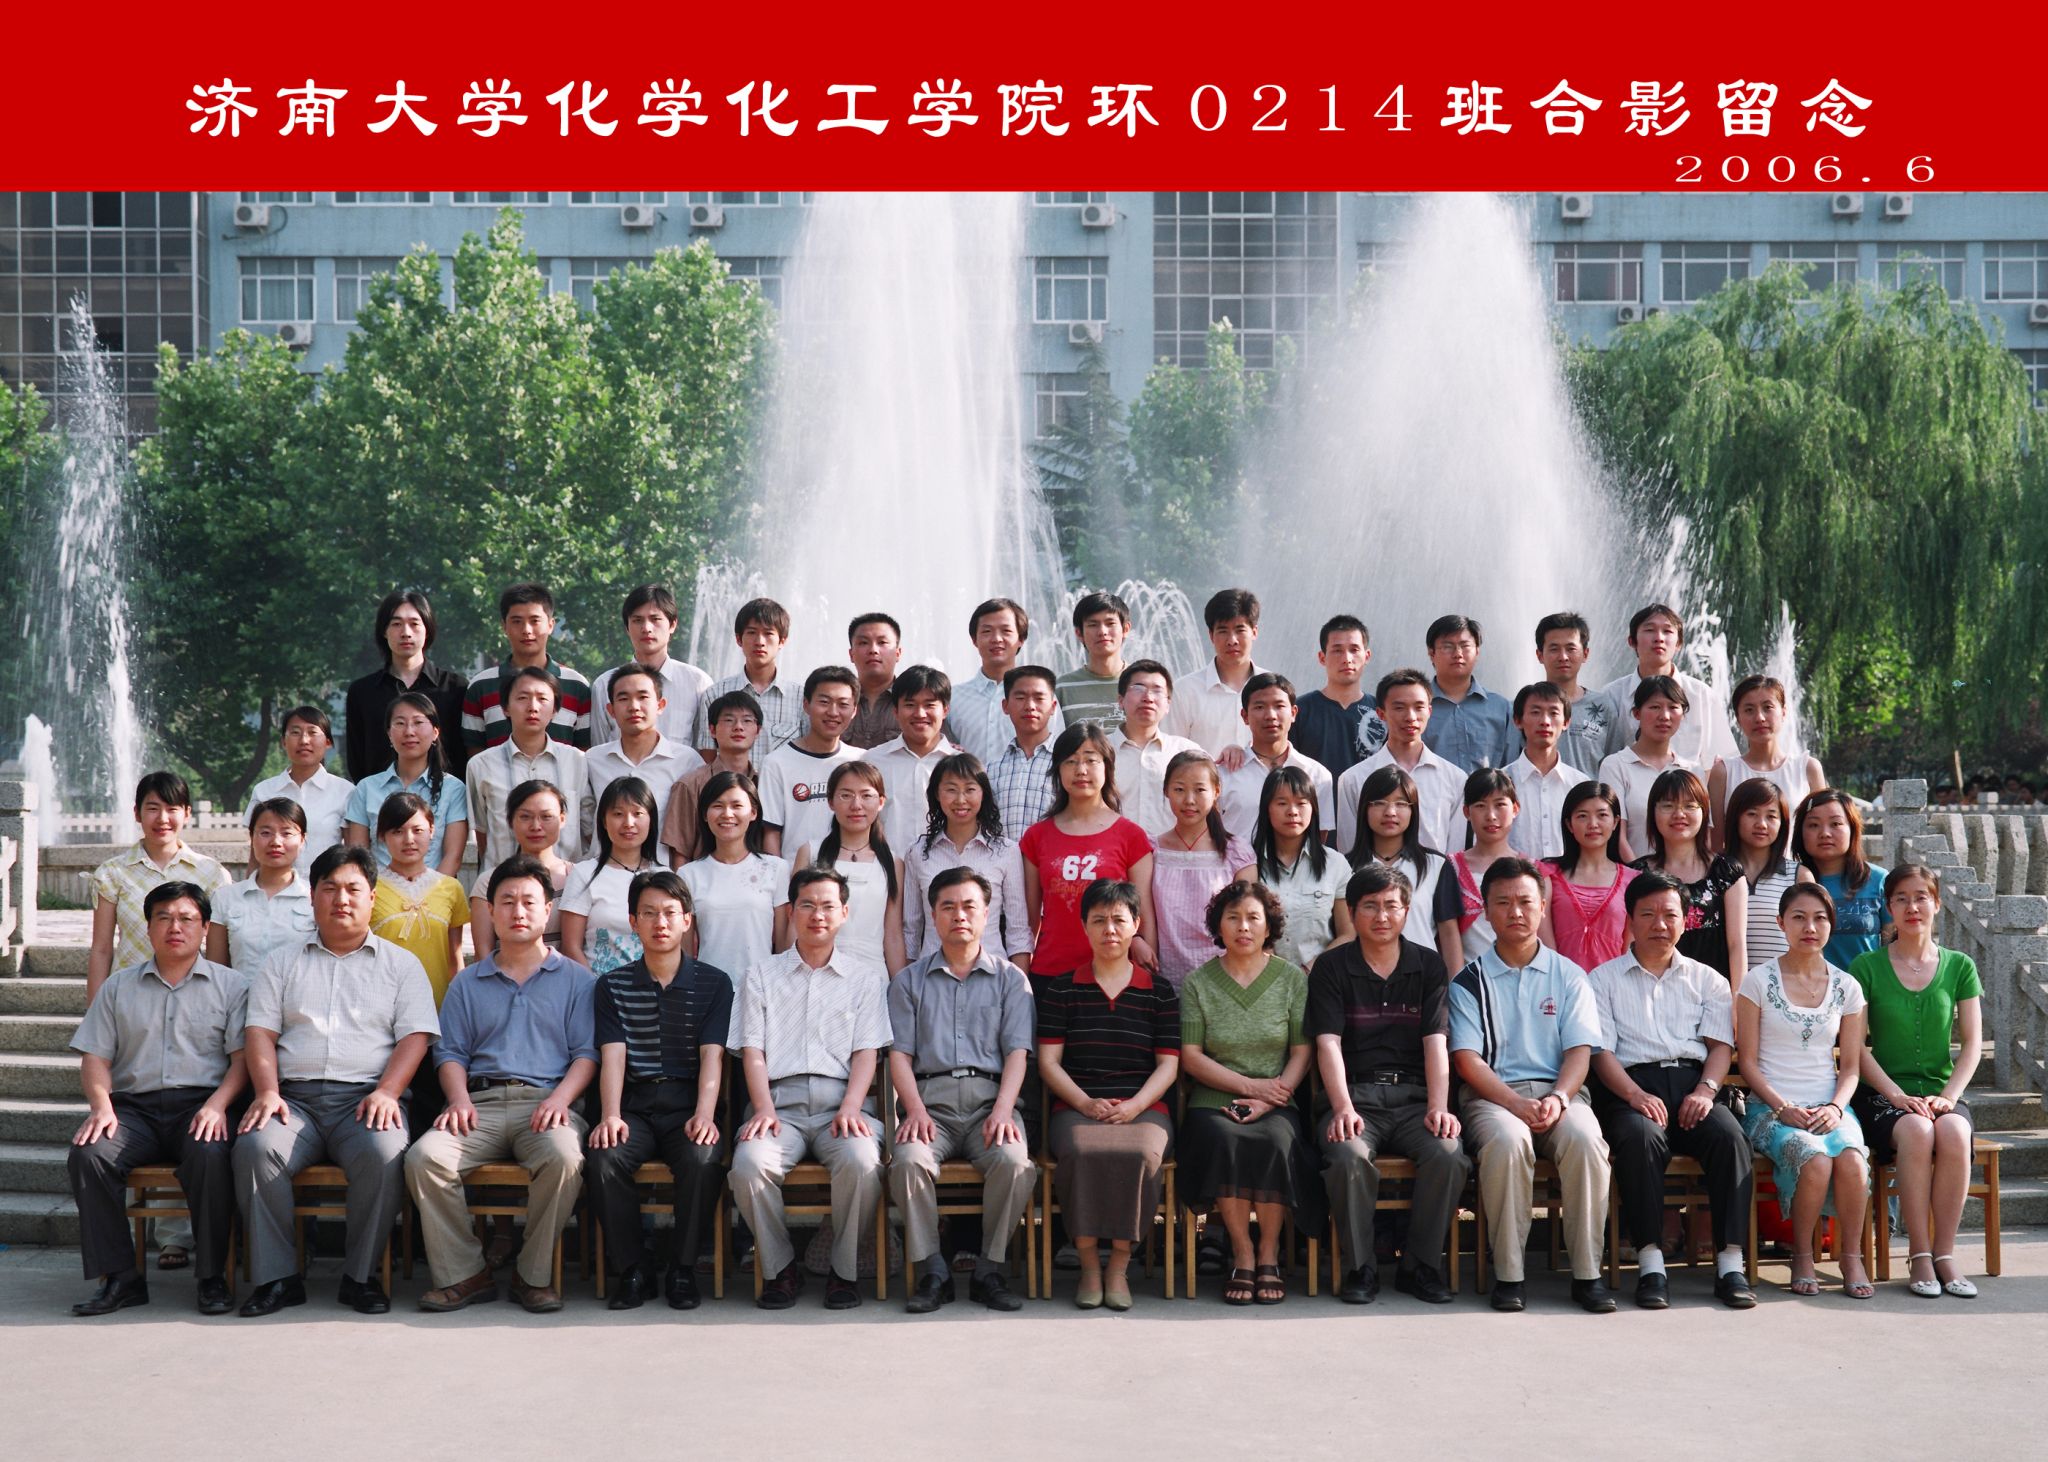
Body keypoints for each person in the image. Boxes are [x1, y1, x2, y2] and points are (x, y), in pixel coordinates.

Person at [232, 846, 439, 1317]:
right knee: (255, 1148)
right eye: (329, 888)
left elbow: (415, 1037)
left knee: (385, 1153)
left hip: (366, 1100)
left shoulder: (401, 965)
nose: (341, 899)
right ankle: (278, 1279)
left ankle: (360, 1277)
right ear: (312, 896)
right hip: (293, 1101)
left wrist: (388, 1091)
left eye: (352, 889)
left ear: (373, 898)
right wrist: (267, 1092)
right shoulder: (281, 963)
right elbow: (259, 1033)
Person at [406, 856, 597, 1313]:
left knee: (564, 1157)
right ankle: (466, 1274)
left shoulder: (577, 980)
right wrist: (457, 1099)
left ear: (548, 910)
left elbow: (586, 1054)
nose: (518, 911)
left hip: (547, 1103)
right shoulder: (467, 983)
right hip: (480, 1104)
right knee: (424, 1158)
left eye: (529, 902)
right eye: (507, 902)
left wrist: (561, 1100)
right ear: (490, 912)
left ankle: (532, 1275)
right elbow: (450, 1053)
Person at [67, 882, 247, 1317]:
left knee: (210, 1154)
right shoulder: (118, 987)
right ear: (147, 928)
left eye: (186, 918)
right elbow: (95, 1057)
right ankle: (121, 1278)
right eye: (163, 918)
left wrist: (218, 1105)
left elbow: (243, 1061)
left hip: (201, 1106)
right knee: (89, 1155)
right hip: (134, 1110)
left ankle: (211, 1276)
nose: (174, 927)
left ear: (205, 928)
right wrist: (102, 1106)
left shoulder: (232, 986)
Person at [1450, 858, 1616, 1314]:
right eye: (1503, 902)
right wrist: (1515, 1104)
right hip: (1493, 1097)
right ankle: (1509, 1275)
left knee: (1586, 1139)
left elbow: (1580, 1052)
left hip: (1560, 1093)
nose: (1516, 912)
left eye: (1525, 901)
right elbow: (1467, 1060)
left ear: (1543, 907)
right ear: (1485, 911)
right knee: (1508, 1142)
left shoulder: (1570, 975)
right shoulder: (1468, 981)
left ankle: (1588, 1274)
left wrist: (1559, 1098)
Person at [1586, 873, 1757, 1310]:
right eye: (1648, 914)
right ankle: (1651, 1265)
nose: (1659, 924)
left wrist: (1706, 1090)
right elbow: (1601, 1054)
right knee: (1640, 1139)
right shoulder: (1601, 980)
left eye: (1669, 915)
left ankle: (1730, 1264)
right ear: (1630, 919)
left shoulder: (1708, 979)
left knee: (1730, 1138)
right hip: (1631, 1089)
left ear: (1686, 920)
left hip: (1693, 1086)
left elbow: (1720, 1047)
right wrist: (1633, 1095)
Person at [729, 866, 893, 1311]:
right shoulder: (760, 976)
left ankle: (844, 1270)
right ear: (791, 912)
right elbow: (752, 1051)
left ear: (844, 913)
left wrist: (853, 1106)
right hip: (778, 1106)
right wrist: (763, 1108)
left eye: (827, 906)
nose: (817, 915)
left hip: (842, 1105)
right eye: (806, 905)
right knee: (748, 1165)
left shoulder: (865, 979)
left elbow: (867, 1053)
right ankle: (781, 1267)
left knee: (862, 1161)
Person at [1308, 863, 1468, 1305]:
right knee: (1347, 1155)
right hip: (1356, 1097)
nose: (1382, 916)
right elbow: (1327, 1043)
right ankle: (1360, 1267)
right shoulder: (1331, 967)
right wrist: (1342, 1107)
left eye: (1391, 906)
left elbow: (1436, 1042)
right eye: (1370, 906)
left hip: (1415, 1099)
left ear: (1407, 911)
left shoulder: (1428, 965)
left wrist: (1439, 1106)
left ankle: (1420, 1266)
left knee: (1448, 1154)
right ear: (1352, 913)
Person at [886, 867, 1036, 1313]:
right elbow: (899, 1056)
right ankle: (932, 1270)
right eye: (948, 907)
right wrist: (913, 1110)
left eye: (969, 906)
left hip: (991, 1105)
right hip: (929, 1107)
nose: (959, 916)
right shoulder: (908, 981)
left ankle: (990, 1268)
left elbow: (1018, 1053)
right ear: (933, 915)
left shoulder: (1012, 979)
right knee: (907, 1161)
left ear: (987, 913)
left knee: (1015, 1163)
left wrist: (1004, 1110)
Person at [585, 870, 734, 1310]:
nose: (660, 923)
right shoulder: (611, 985)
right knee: (604, 1157)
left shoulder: (715, 983)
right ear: (633, 921)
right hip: (635, 1106)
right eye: (648, 913)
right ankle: (635, 1269)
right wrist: (611, 1115)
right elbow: (613, 1056)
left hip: (688, 1104)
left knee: (703, 1158)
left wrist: (704, 1115)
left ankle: (682, 1269)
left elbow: (713, 1056)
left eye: (670, 913)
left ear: (687, 920)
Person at [1037, 879, 1181, 1311]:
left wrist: (1136, 1105)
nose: (1110, 930)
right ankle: (1088, 1265)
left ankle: (1118, 1265)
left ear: (1136, 925)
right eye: (1099, 920)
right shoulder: (1062, 989)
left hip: (1145, 1107)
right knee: (1081, 1152)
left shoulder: (1160, 991)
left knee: (1140, 1154)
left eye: (1119, 920)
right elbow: (1049, 1063)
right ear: (1084, 926)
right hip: (1077, 1105)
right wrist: (1084, 1103)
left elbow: (1168, 1065)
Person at [1177, 881, 1320, 1305]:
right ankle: (1242, 1253)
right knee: (1224, 1140)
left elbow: (1302, 1051)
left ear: (1269, 926)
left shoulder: (1292, 979)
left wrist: (1271, 1096)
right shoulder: (1197, 983)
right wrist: (1249, 1087)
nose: (1243, 927)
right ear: (1218, 926)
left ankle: (1268, 1253)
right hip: (1212, 1099)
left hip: (1276, 1099)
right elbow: (1191, 1057)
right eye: (1233, 918)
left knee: (1276, 1141)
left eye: (1253, 918)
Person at [1849, 865, 1984, 1299]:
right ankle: (1919, 1254)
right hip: (1882, 1095)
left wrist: (1949, 1096)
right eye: (1901, 898)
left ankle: (1945, 1254)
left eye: (1921, 896)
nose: (1912, 907)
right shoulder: (1866, 966)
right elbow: (1856, 1048)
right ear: (1888, 907)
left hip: (1942, 1092)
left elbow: (1972, 1044)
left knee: (1955, 1132)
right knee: (1917, 1130)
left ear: (1937, 903)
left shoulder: (1960, 966)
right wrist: (1896, 1094)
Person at [1736, 882, 1873, 1298]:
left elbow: (1851, 1067)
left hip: (1830, 1106)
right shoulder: (1756, 981)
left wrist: (1836, 1108)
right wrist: (1783, 1108)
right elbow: (1747, 1062)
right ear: (1781, 923)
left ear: (1831, 924)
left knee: (1852, 1160)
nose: (1809, 927)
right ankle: (1802, 1255)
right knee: (1813, 1159)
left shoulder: (1848, 987)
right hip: (1770, 1108)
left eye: (1819, 918)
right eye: (1798, 918)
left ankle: (1851, 1256)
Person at [1019, 724, 1158, 978]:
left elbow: (1145, 915)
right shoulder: (1036, 836)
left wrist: (1147, 978)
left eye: (1090, 760)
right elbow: (1028, 920)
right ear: (1058, 770)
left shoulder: (1132, 836)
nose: (1081, 770)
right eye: (1070, 761)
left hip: (1113, 977)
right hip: (1050, 974)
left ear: (1107, 766)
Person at [88, 771, 234, 1004]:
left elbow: (218, 953)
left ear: (187, 813)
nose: (162, 818)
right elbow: (102, 948)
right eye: (153, 808)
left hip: (191, 998)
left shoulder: (212, 873)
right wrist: (94, 1011)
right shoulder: (112, 873)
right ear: (137, 813)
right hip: (129, 997)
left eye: (172, 809)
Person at [902, 752, 1031, 963]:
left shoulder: (1006, 851)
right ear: (937, 794)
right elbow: (911, 930)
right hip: (932, 972)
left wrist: (1019, 980)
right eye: (951, 790)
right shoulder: (917, 853)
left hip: (991, 972)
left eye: (970, 789)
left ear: (983, 794)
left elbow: (1018, 930)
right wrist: (909, 978)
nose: (961, 800)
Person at [1628, 768, 1748, 982]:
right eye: (1668, 805)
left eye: (1689, 806)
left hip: (1712, 993)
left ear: (1704, 812)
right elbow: (1630, 941)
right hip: (1650, 990)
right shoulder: (1636, 874)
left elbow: (1736, 944)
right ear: (1653, 813)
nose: (1679, 814)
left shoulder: (1726, 873)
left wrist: (1737, 998)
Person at [464, 665, 590, 868]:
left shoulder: (577, 761)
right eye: (522, 698)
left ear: (555, 710)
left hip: (566, 882)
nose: (533, 707)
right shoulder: (480, 766)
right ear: (505, 708)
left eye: (542, 699)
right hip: (504, 881)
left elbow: (588, 826)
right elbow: (482, 833)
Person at [1151, 750, 1257, 989]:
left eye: (1200, 790)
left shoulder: (1236, 851)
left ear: (1216, 791)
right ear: (1166, 791)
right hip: (1165, 980)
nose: (1189, 800)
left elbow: (1247, 917)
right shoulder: (1151, 850)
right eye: (1179, 789)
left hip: (1224, 979)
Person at [1334, 669, 1466, 859]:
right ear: (1381, 714)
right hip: (1372, 876)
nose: (1410, 717)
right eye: (1399, 708)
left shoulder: (1454, 778)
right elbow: (1350, 849)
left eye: (1419, 707)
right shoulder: (1354, 779)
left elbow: (1454, 853)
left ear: (1429, 711)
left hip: (1435, 877)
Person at [793, 760, 905, 977]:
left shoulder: (892, 863)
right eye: (846, 795)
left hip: (873, 974)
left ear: (881, 802)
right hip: (817, 972)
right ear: (830, 802)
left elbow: (893, 934)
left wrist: (900, 987)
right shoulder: (810, 853)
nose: (856, 805)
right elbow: (795, 924)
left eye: (866, 796)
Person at [680, 770, 791, 987]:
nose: (727, 814)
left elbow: (783, 947)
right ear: (705, 814)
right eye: (717, 806)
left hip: (762, 989)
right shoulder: (689, 874)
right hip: (708, 991)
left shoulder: (776, 869)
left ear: (753, 813)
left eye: (737, 805)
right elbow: (684, 952)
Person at [344, 589, 470, 781]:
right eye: (396, 624)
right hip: (380, 797)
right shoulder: (362, 692)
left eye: (414, 624)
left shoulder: (455, 689)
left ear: (427, 629)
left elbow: (463, 754)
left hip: (444, 796)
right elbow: (357, 758)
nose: (406, 633)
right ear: (384, 631)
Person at [1593, 603, 1735, 769]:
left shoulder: (1701, 695)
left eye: (1667, 631)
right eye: (1649, 630)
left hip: (1689, 784)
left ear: (1678, 643)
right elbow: (1597, 756)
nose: (1659, 638)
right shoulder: (1611, 696)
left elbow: (1724, 762)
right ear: (1632, 641)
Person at [342, 692, 469, 875]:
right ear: (389, 733)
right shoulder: (366, 788)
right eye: (400, 723)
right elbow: (358, 856)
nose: (409, 732)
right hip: (379, 890)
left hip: (436, 889)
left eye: (418, 722)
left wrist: (431, 891)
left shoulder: (453, 788)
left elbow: (453, 856)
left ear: (435, 732)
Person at [461, 582, 593, 756]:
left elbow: (584, 752)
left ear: (551, 625)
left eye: (535, 621)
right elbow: (475, 754)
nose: (526, 630)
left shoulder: (576, 685)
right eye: (517, 621)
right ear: (504, 626)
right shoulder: (481, 685)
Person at [1345, 765, 1461, 958]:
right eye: (1380, 803)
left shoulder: (1436, 865)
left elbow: (1449, 934)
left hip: (1422, 973)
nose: (1390, 812)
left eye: (1400, 803)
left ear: (1413, 810)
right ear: (1365, 809)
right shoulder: (1345, 867)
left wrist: (1455, 977)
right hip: (1360, 973)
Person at [369, 793, 471, 1004]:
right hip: (381, 1002)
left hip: (437, 1004)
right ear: (382, 836)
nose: (409, 840)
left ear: (432, 830)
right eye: (397, 831)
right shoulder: (368, 888)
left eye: (417, 830)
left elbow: (455, 958)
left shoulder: (451, 888)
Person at [757, 666, 864, 859]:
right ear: (806, 705)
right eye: (824, 702)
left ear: (854, 710)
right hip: (795, 872)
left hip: (849, 871)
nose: (833, 712)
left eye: (843, 704)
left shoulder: (861, 761)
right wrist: (780, 875)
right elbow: (771, 832)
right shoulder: (776, 763)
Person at [561, 776, 665, 974]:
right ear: (604, 821)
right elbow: (571, 948)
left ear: (651, 819)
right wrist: (596, 988)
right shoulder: (583, 874)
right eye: (618, 814)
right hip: (598, 988)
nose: (628, 823)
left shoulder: (664, 876)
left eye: (637, 813)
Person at [1252, 766, 1353, 969]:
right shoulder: (1249, 863)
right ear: (1266, 809)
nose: (1292, 811)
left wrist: (1311, 969)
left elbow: (1348, 933)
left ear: (1313, 808)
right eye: (1282, 803)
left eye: (1301, 803)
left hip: (1321, 977)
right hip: (1263, 976)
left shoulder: (1335, 864)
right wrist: (1281, 974)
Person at [1707, 675, 1825, 847]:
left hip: (1793, 863)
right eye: (1749, 710)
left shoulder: (1807, 768)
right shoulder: (1724, 772)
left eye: (1767, 707)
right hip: (1738, 864)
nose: (1760, 718)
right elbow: (1716, 841)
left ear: (1783, 712)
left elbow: (1821, 827)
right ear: (1738, 719)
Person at [591, 583, 713, 746]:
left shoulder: (698, 683)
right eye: (637, 620)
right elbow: (599, 748)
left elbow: (705, 748)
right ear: (627, 628)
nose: (646, 628)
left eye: (655, 619)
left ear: (672, 625)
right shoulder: (603, 685)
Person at [1219, 672, 1333, 845]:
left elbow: (1319, 837)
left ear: (1293, 713)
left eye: (1279, 706)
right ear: (1245, 716)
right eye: (1259, 707)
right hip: (1236, 863)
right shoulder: (1224, 773)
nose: (1270, 715)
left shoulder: (1317, 775)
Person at [950, 596, 1065, 766]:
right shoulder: (954, 698)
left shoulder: (1042, 697)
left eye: (1006, 631)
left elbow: (1060, 749)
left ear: (1021, 639)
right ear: (974, 640)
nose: (996, 639)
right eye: (987, 631)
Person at [207, 798, 316, 975]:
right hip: (241, 993)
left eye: (287, 833)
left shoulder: (315, 899)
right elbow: (216, 971)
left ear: (302, 839)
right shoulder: (225, 898)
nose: (276, 842)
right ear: (251, 837)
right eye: (266, 833)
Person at [467, 780, 574, 960]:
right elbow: (483, 954)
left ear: (562, 819)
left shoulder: (578, 877)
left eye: (546, 816)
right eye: (525, 817)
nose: (536, 826)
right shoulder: (488, 882)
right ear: (510, 821)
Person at [1540, 781, 1639, 972]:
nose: (1593, 824)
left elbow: (1631, 949)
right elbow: (1545, 946)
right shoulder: (1548, 875)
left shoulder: (1633, 880)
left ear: (1616, 822)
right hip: (1560, 983)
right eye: (1582, 816)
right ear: (1569, 824)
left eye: (1602, 815)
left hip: (1613, 985)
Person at [694, 597, 809, 759]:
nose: (760, 641)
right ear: (738, 639)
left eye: (768, 633)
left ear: (782, 641)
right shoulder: (714, 695)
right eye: (752, 632)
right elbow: (708, 759)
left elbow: (809, 755)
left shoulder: (801, 699)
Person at [243, 706, 353, 874]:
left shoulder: (345, 791)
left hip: (324, 887)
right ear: (283, 741)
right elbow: (255, 857)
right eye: (295, 732)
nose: (304, 740)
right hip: (274, 888)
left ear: (328, 742)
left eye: (312, 732)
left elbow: (352, 855)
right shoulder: (264, 791)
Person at [867, 664, 964, 853]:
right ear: (895, 711)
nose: (920, 714)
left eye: (929, 705)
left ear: (945, 710)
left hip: (947, 867)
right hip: (887, 867)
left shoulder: (963, 766)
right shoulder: (872, 762)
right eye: (910, 705)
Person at [1597, 675, 1694, 862]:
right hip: (1633, 875)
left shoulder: (1691, 770)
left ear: (1682, 714)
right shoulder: (1616, 765)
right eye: (1655, 707)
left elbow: (1702, 835)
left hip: (1684, 876)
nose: (1664, 716)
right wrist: (1641, 875)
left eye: (1673, 707)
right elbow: (1617, 835)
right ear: (1636, 713)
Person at [1794, 789, 1891, 969]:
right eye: (1814, 825)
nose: (1825, 833)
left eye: (1836, 824)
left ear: (1852, 828)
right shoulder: (1790, 881)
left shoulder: (1879, 880)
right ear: (1800, 832)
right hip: (1804, 985)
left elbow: (1894, 947)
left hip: (1866, 985)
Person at [662, 689, 761, 866]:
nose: (738, 727)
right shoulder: (690, 784)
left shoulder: (765, 784)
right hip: (703, 879)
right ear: (712, 730)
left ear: (758, 730)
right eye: (729, 720)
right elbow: (680, 852)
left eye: (747, 720)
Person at [585, 661, 694, 818]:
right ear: (611, 710)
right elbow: (585, 817)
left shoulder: (687, 762)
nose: (634, 707)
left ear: (660, 705)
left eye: (643, 697)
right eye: (623, 699)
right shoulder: (592, 761)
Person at [1727, 777, 1812, 974]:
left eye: (1771, 816)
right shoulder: (1717, 872)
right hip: (1727, 986)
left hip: (1783, 985)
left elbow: (1812, 941)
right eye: (1752, 814)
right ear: (1735, 817)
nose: (1762, 824)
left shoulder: (1798, 876)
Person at [1111, 659, 1203, 838]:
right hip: (1113, 851)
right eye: (1138, 688)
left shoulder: (1187, 752)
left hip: (1171, 853)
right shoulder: (1099, 752)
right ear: (1120, 701)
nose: (1148, 697)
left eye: (1157, 691)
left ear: (1168, 704)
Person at [1166, 587, 1263, 756]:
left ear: (1254, 632)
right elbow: (1170, 752)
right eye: (1223, 631)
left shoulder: (1272, 690)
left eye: (1240, 630)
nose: (1232, 640)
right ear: (1211, 635)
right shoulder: (1184, 691)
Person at [1503, 682, 1587, 861]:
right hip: (1515, 876)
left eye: (1553, 713)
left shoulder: (1580, 784)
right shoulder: (1501, 783)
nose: (1545, 721)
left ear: (1566, 722)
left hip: (1568, 877)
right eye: (1535, 712)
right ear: (1518, 720)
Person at [1421, 614, 1514, 771]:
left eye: (1465, 646)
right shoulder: (1417, 709)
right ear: (1431, 653)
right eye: (1447, 646)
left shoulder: (1501, 708)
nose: (1458, 653)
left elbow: (1512, 764)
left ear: (1477, 651)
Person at [1292, 614, 1380, 779]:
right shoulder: (1299, 711)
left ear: (1367, 656)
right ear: (1322, 658)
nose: (1347, 659)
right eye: (1337, 650)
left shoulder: (1381, 712)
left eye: (1354, 650)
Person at [1530, 612, 1615, 779]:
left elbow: (1614, 764)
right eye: (1554, 649)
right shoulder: (1525, 708)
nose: (1563, 657)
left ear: (1585, 654)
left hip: (1588, 795)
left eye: (1571, 649)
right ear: (1540, 655)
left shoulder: (1603, 707)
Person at [1448, 768, 1519, 964]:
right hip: (1470, 978)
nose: (1491, 815)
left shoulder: (1532, 869)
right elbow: (1447, 933)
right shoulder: (1450, 867)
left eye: (1500, 805)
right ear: (1466, 812)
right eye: (1480, 806)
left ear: (1515, 809)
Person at [989, 664, 1061, 838]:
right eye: (1020, 697)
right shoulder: (992, 768)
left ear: (1053, 707)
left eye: (1039, 698)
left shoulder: (1065, 763)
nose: (1030, 706)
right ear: (1005, 706)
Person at [1054, 590, 1132, 735]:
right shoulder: (1062, 688)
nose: (1102, 631)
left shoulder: (1143, 684)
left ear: (1125, 629)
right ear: (1079, 633)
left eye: (1110, 623)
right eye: (1093, 624)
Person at [844, 612, 905, 750]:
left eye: (882, 642)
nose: (873, 650)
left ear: (898, 653)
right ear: (851, 654)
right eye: (863, 643)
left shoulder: (914, 703)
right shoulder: (835, 703)